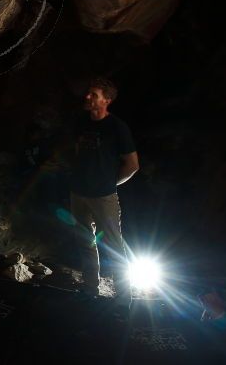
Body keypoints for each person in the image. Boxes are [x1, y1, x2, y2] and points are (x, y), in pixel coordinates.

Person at [70, 78, 139, 303]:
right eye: (88, 93)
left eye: (94, 95)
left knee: (113, 246)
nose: (87, 97)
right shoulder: (81, 121)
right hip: (79, 193)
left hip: (103, 196)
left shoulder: (116, 127)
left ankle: (123, 297)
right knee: (85, 241)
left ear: (106, 101)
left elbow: (132, 165)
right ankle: (90, 287)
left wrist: (110, 184)